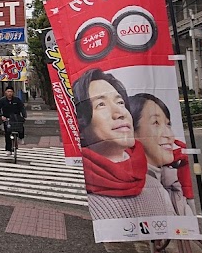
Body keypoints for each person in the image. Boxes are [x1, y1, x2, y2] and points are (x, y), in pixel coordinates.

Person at [73, 69, 171, 219]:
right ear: (81, 122)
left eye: (120, 102)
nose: (119, 112)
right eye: (101, 104)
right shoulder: (79, 185)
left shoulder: (153, 184)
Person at [129, 93, 193, 216]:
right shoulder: (129, 185)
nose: (169, 134)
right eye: (156, 123)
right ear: (132, 131)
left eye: (168, 124)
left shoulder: (170, 180)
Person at [0, 87, 27, 155]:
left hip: (16, 118)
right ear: (5, 92)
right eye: (8, 91)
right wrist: (1, 116)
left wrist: (24, 115)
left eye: (11, 91)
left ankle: (21, 138)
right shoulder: (2, 100)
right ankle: (8, 149)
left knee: (21, 127)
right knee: (7, 133)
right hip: (7, 118)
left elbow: (22, 108)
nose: (9, 93)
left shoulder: (17, 100)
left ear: (13, 92)